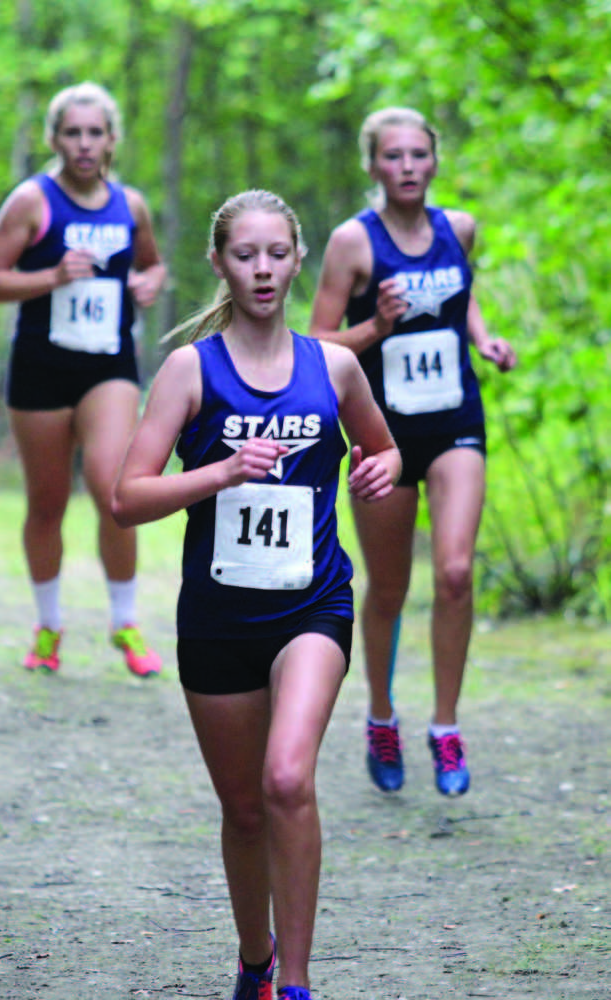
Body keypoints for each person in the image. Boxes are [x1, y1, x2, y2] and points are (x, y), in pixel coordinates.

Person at [112, 190, 401, 1000]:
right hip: (217, 618)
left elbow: (383, 454)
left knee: (285, 781)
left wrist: (381, 469)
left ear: (298, 258)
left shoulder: (334, 367)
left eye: (277, 253)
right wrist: (220, 471)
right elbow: (126, 496)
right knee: (243, 810)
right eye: (246, 255)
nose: (263, 269)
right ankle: (256, 960)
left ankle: (299, 984)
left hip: (312, 605)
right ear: (219, 264)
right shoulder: (188, 370)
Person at [309, 107, 516, 796]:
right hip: (382, 433)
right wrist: (377, 323)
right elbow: (317, 343)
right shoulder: (352, 243)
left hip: (456, 417)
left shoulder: (458, 228)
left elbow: (465, 291)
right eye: (392, 156)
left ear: (434, 161)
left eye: (418, 155)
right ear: (372, 166)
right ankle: (380, 716)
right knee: (390, 587)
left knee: (455, 572)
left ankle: (446, 727)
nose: (406, 167)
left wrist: (483, 338)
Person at [0, 81, 166, 676]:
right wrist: (52, 276)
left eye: (95, 132)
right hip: (40, 365)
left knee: (116, 493)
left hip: (108, 365)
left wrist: (151, 282)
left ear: (112, 138)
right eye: (72, 132)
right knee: (47, 503)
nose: (84, 144)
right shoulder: (33, 201)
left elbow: (153, 264)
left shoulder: (130, 205)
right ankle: (50, 626)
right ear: (55, 138)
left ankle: (125, 623)